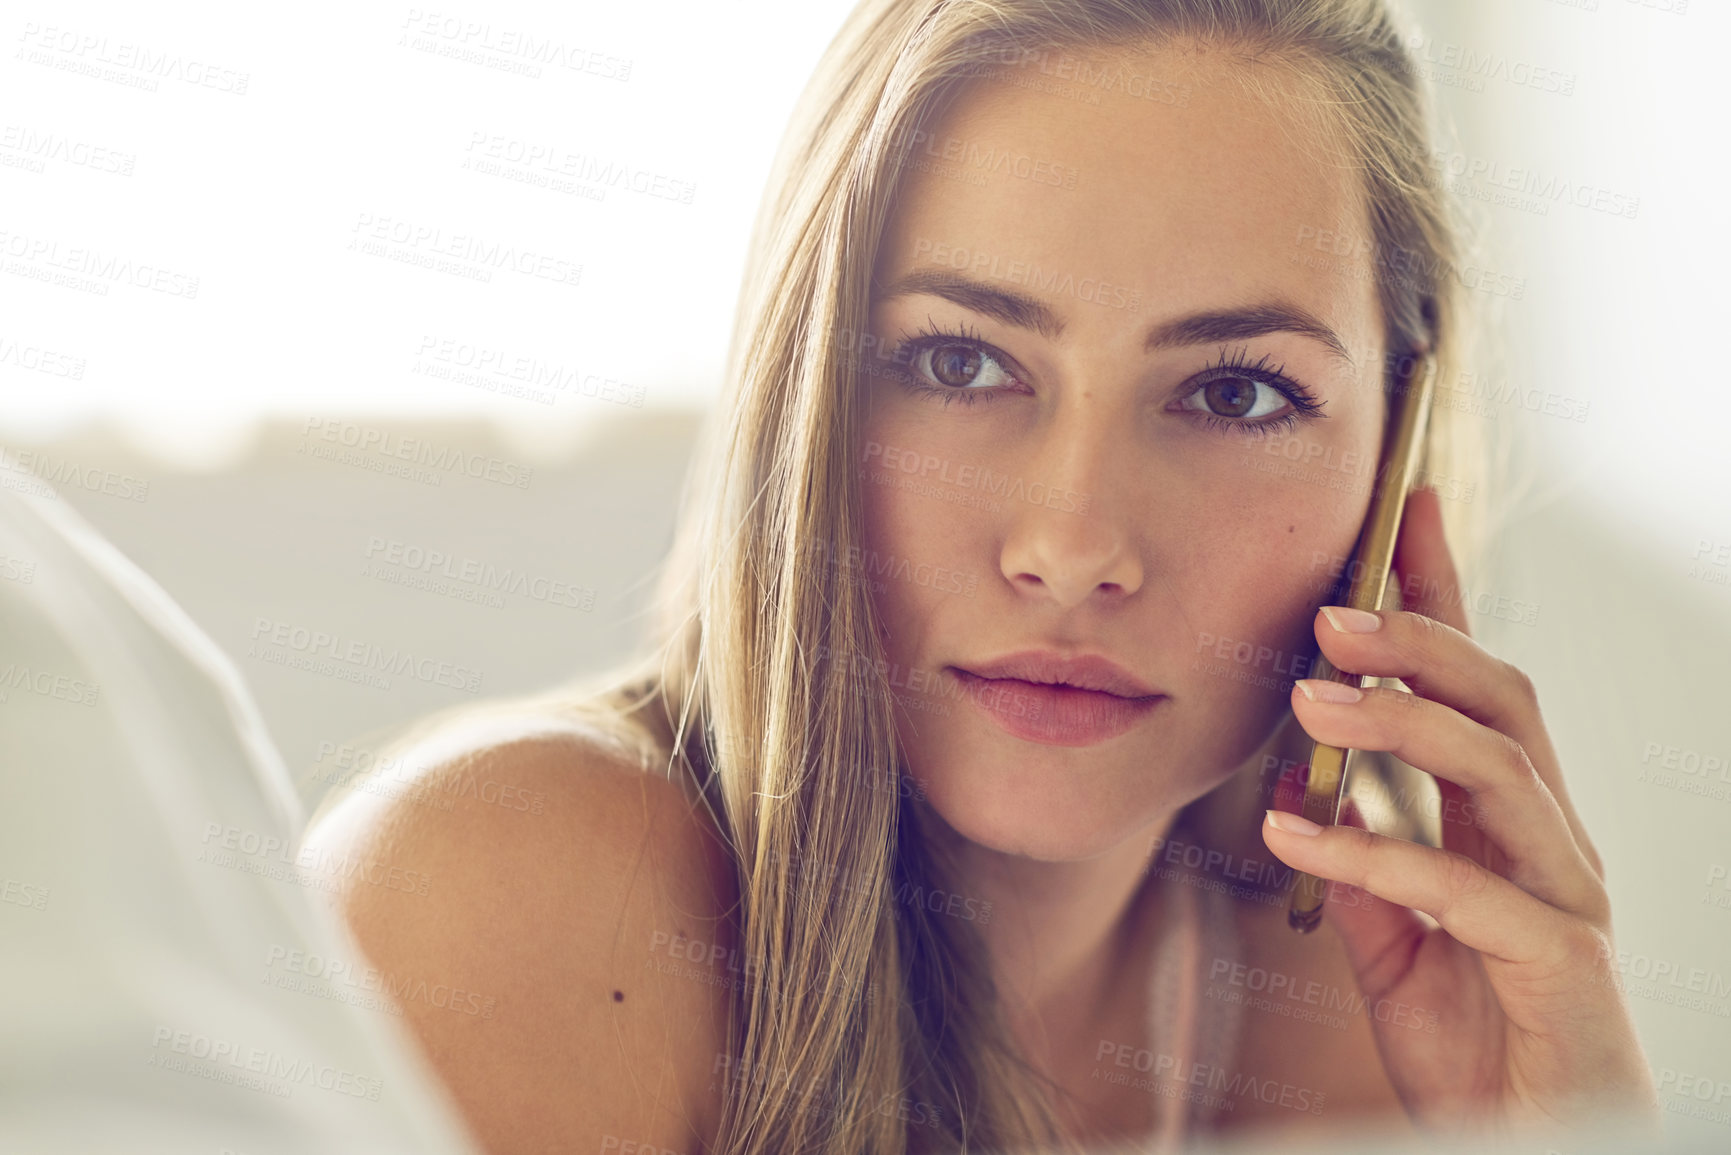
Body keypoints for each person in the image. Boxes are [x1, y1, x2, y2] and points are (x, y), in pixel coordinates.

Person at [301, 2, 1661, 1152]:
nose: (1073, 548)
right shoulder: (509, 905)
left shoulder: (1372, 998)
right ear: (805, 390)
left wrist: (1565, 1133)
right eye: (959, 363)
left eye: (1236, 393)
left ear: (1396, 453)